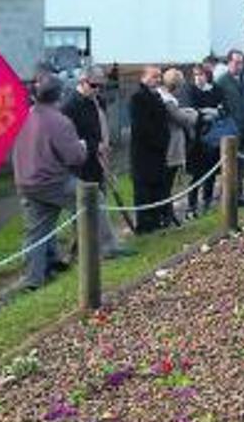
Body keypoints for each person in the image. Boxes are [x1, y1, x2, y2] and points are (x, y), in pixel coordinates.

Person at [12, 74, 87, 290]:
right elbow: (75, 157)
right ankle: (105, 249)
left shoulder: (24, 116)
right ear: (60, 95)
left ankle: (34, 278)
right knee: (91, 200)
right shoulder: (59, 121)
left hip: (26, 181)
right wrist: (82, 146)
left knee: (36, 230)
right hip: (52, 181)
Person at [61, 65, 130, 258]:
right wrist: (93, 146)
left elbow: (100, 127)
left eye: (101, 86)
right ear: (82, 82)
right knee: (83, 207)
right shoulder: (69, 106)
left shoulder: (97, 100)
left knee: (100, 202)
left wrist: (103, 147)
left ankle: (98, 245)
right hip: (80, 164)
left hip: (98, 160)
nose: (98, 89)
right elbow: (70, 139)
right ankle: (84, 249)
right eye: (94, 85)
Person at [130, 66, 170, 234]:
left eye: (159, 77)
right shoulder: (138, 98)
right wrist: (158, 141)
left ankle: (155, 219)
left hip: (158, 152)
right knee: (144, 189)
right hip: (145, 152)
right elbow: (141, 127)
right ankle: (145, 223)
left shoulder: (157, 95)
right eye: (154, 77)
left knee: (157, 187)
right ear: (144, 78)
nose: (158, 80)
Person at [160, 68, 198, 226]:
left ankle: (169, 215)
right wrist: (193, 114)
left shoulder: (168, 100)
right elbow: (183, 119)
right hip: (171, 147)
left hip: (172, 145)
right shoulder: (168, 101)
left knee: (168, 183)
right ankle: (168, 215)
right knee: (167, 184)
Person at [216, 50, 244, 200]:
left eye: (241, 62)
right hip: (231, 130)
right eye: (236, 62)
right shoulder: (221, 81)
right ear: (229, 62)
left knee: (242, 164)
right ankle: (227, 197)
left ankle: (238, 196)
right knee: (230, 165)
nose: (239, 66)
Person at [186, 64, 224, 218]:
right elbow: (191, 110)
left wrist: (211, 111)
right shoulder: (191, 90)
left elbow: (221, 108)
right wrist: (208, 111)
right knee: (196, 174)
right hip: (197, 139)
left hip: (213, 136)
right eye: (195, 75)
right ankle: (191, 207)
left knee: (211, 172)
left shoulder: (215, 89)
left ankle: (207, 202)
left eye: (201, 74)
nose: (198, 78)